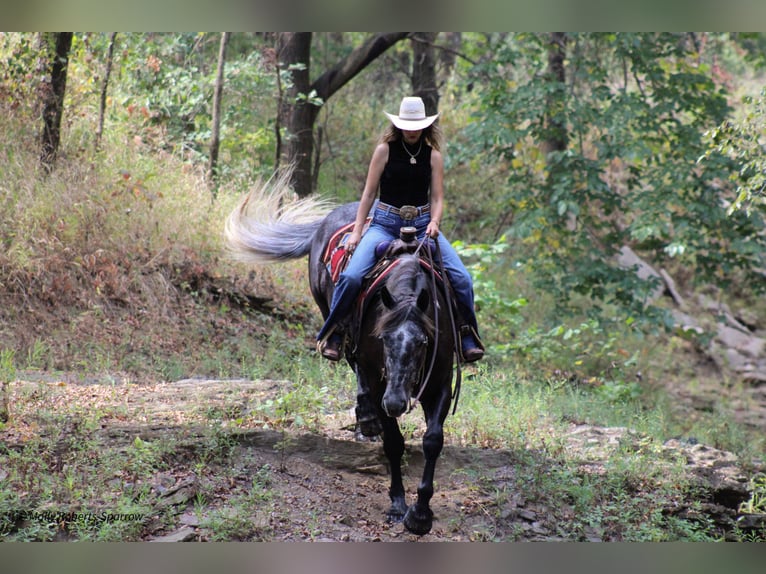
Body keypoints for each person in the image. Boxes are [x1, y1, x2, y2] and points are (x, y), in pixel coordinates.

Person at [316, 96, 484, 363]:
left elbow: (438, 197)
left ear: (425, 125)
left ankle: (466, 333)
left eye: (416, 124)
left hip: (421, 226)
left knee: (462, 278)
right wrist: (358, 231)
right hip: (384, 224)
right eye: (407, 124)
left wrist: (434, 222)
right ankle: (337, 331)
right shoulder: (384, 150)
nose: (412, 129)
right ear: (399, 124)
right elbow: (369, 192)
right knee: (351, 277)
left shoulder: (434, 156)